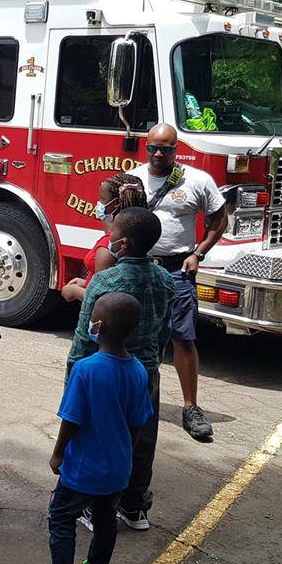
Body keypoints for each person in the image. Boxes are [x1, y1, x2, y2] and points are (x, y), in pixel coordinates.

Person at [67, 207, 172, 534]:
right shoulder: (165, 280)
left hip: (105, 374)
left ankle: (92, 506)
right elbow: (164, 330)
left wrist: (74, 375)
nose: (108, 238)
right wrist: (152, 362)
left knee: (99, 437)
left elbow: (87, 335)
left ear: (123, 245)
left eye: (112, 234)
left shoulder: (106, 280)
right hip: (146, 371)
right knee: (141, 439)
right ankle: (134, 505)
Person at [47, 292, 154, 564]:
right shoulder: (139, 372)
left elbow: (71, 420)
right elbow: (137, 424)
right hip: (117, 468)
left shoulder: (85, 369)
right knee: (106, 520)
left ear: (100, 327)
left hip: (83, 468)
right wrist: (126, 457)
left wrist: (58, 454)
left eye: (93, 317)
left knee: (61, 516)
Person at [127, 123, 225, 442]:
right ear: (146, 147)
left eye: (166, 148)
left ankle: (190, 408)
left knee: (183, 338)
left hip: (177, 270)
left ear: (175, 148)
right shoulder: (133, 179)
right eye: (153, 148)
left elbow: (219, 219)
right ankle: (132, 399)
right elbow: (112, 217)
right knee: (132, 336)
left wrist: (199, 253)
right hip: (138, 267)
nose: (158, 154)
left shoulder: (196, 180)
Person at [62, 174, 147, 302]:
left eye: (102, 199)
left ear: (116, 203)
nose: (99, 204)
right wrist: (87, 283)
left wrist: (73, 291)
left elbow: (102, 297)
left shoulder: (110, 245)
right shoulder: (135, 235)